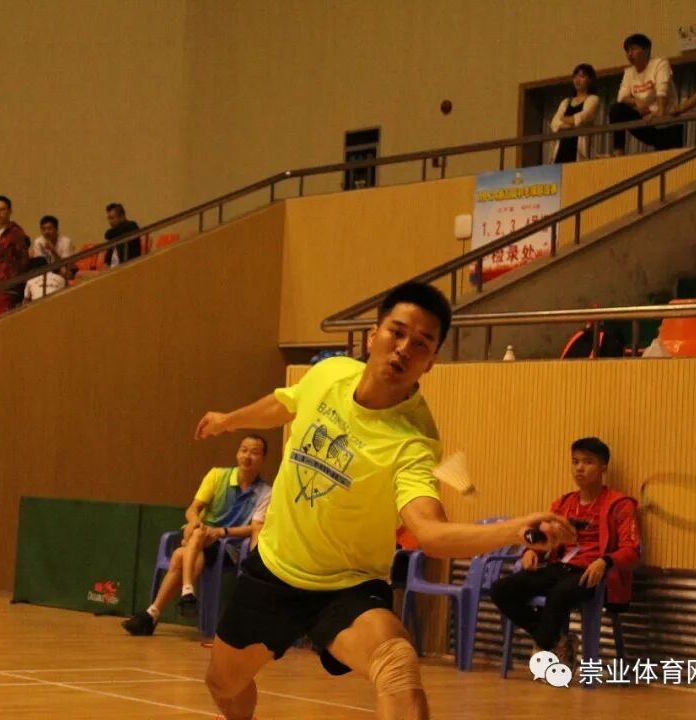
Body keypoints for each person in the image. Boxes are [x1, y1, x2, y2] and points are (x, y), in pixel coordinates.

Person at [191, 281, 576, 720]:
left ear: (431, 362)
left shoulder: (413, 442)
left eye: (422, 343)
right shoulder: (329, 373)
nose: (404, 349)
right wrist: (228, 420)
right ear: (374, 335)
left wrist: (514, 530)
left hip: (346, 587)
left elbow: (430, 533)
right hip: (275, 570)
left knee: (396, 665)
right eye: (397, 332)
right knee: (222, 684)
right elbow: (285, 404)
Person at [491, 437, 640, 665]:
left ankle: (546, 645)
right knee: (502, 589)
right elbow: (543, 536)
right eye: (575, 462)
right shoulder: (563, 504)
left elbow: (632, 550)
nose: (579, 468)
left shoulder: (620, 504)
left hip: (592, 574)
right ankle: (556, 640)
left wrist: (604, 561)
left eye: (588, 462)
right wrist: (532, 552)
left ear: (603, 467)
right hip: (560, 567)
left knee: (559, 594)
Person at [122, 435, 271, 636]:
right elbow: (193, 509)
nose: (247, 456)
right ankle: (172, 601)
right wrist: (195, 522)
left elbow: (255, 528)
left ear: (263, 458)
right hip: (200, 538)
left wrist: (222, 532)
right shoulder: (217, 476)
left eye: (254, 452)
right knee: (198, 535)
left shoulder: (265, 492)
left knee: (180, 556)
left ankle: (159, 610)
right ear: (237, 454)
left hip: (228, 547)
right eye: (243, 450)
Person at [609, 33, 684, 154]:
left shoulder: (660, 63)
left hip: (668, 123)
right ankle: (618, 152)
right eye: (627, 51)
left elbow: (662, 89)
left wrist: (660, 112)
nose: (629, 54)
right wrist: (636, 102)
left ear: (646, 50)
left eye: (633, 49)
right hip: (647, 121)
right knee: (616, 109)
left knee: (668, 157)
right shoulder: (629, 72)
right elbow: (621, 98)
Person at [0, 195, 31, 319]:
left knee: (3, 320)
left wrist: (13, 281)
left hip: (8, 288)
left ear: (9, 211)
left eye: (2, 209)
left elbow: (24, 260)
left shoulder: (16, 232)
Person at [551, 63, 601, 163]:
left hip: (579, 151)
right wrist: (573, 124)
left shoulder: (593, 99)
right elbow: (554, 124)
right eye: (575, 77)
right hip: (561, 150)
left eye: (581, 76)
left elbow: (582, 118)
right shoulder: (566, 102)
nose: (577, 80)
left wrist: (564, 120)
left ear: (589, 80)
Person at [103, 203, 141, 267]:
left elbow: (108, 234)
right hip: (111, 269)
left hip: (126, 267)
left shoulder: (132, 226)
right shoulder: (114, 235)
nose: (110, 222)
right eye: (109, 218)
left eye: (112, 218)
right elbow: (107, 260)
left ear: (122, 217)